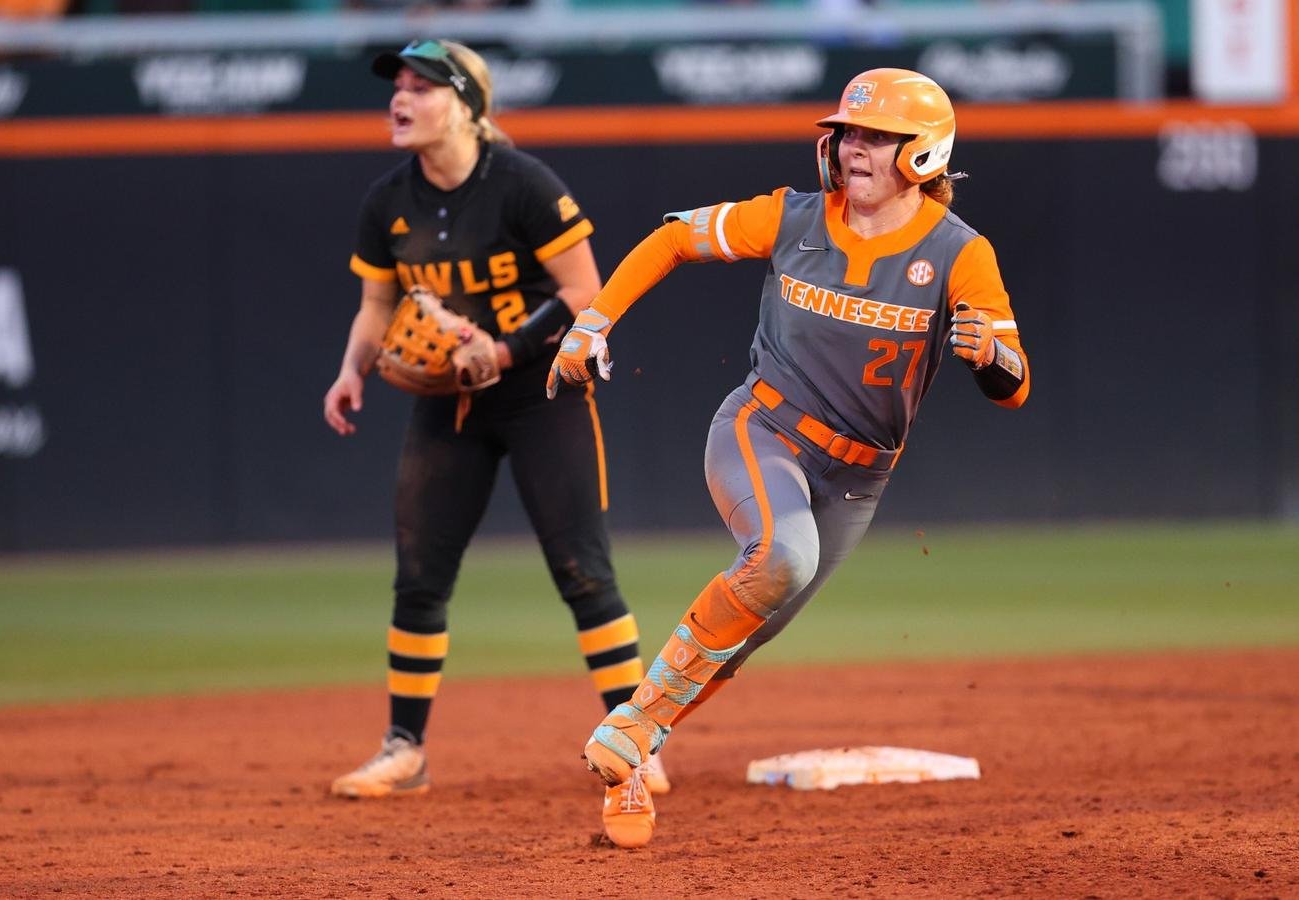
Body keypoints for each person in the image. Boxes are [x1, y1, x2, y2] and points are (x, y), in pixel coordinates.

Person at [547, 68, 1031, 848]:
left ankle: (633, 739)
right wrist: (592, 321)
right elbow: (674, 238)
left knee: (742, 636)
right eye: (848, 133)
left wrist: (991, 358)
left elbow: (1013, 387)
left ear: (924, 153)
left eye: (877, 137)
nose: (853, 149)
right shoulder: (793, 216)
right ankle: (632, 736)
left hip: (859, 479)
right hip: (764, 430)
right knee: (782, 556)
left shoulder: (959, 253)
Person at [321, 39, 668, 823]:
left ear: (467, 106)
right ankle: (404, 750)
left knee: (584, 572)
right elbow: (377, 304)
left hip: (542, 393)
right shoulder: (388, 200)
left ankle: (636, 742)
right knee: (419, 578)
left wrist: (505, 350)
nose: (400, 99)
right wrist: (351, 371)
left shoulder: (522, 183)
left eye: (421, 87)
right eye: (396, 87)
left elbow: (584, 289)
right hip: (450, 403)